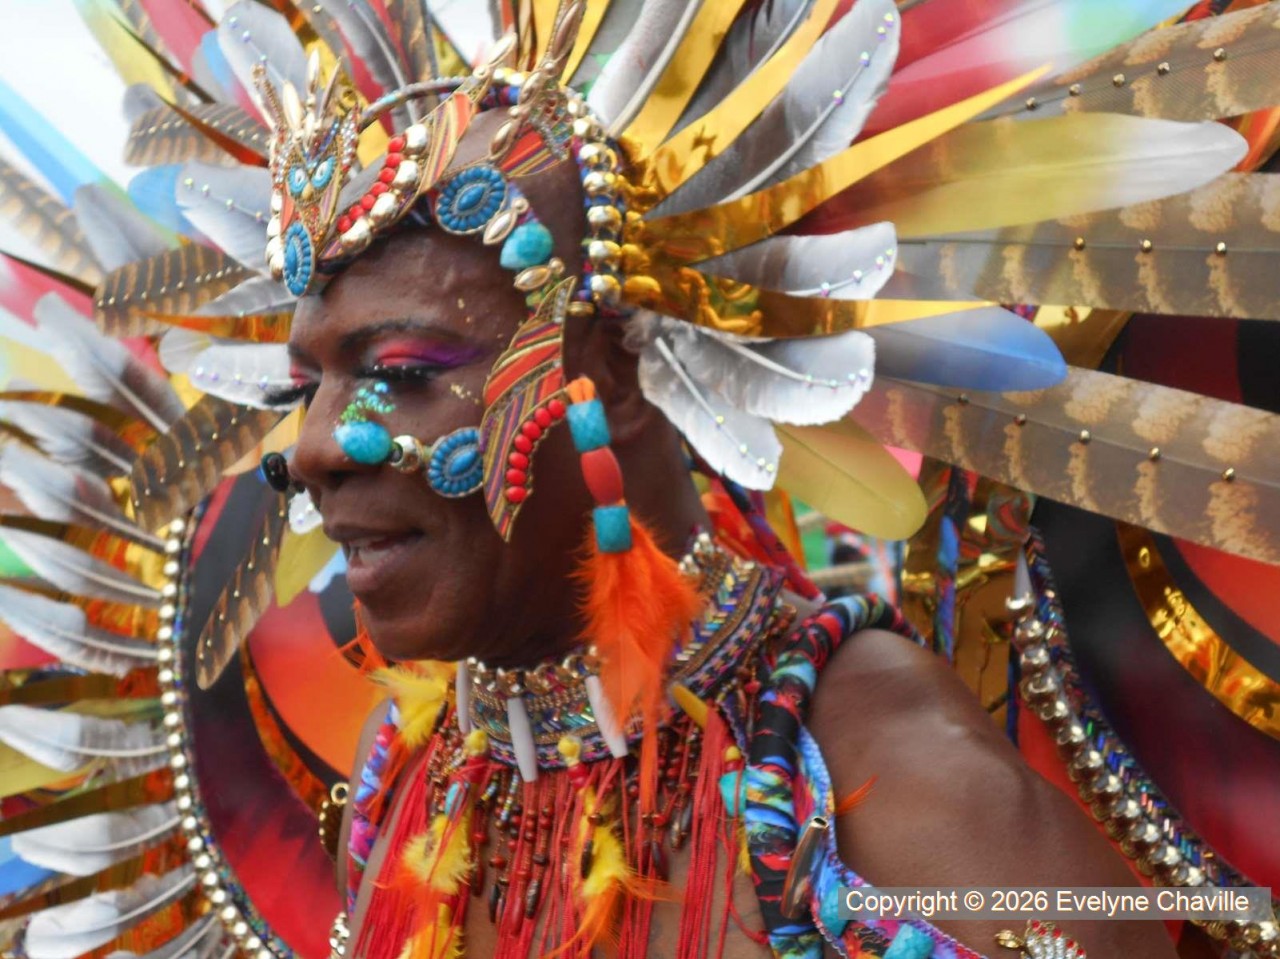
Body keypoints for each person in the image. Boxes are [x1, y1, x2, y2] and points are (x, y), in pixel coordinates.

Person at [1, 3, 1276, 959]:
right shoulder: (409, 777)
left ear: (609, 369)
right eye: (308, 384)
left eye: (398, 370)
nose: (316, 446)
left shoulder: (891, 784)